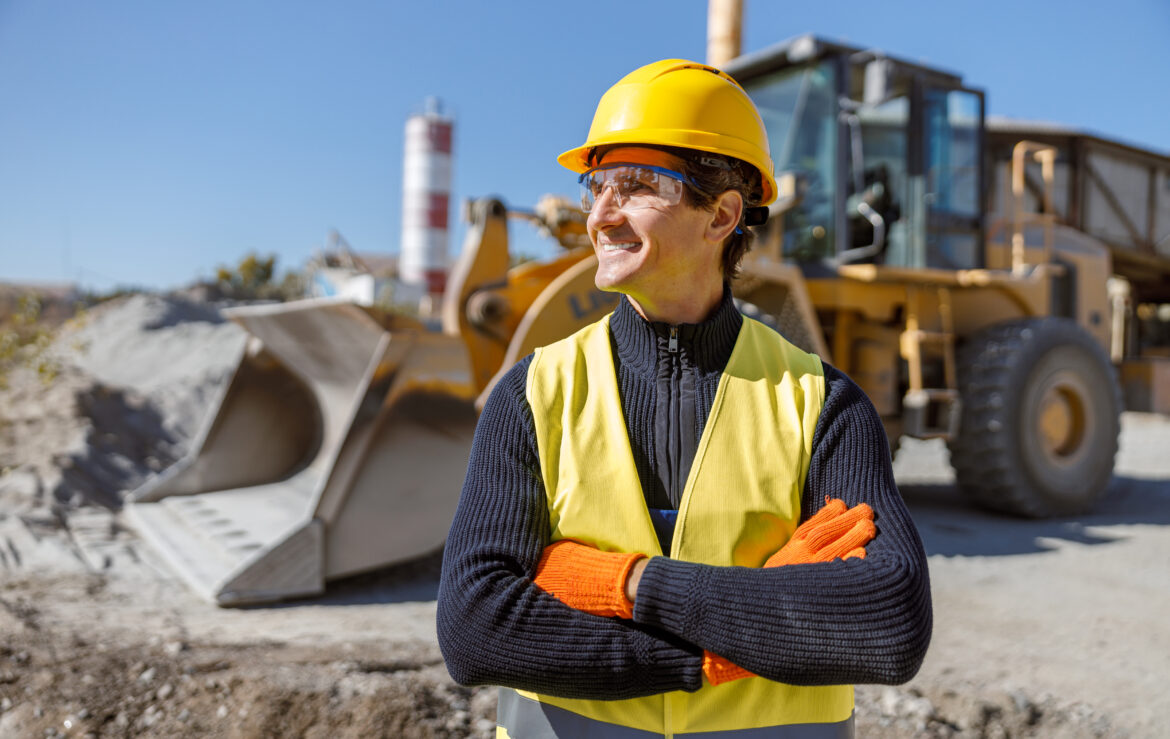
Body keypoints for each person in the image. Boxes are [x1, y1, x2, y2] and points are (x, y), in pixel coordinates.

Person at [437, 59, 931, 738]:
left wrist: (630, 582)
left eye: (636, 186)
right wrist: (730, 642)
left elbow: (888, 625)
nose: (601, 214)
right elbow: (475, 630)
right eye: (596, 186)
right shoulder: (532, 395)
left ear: (723, 213)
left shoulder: (822, 405)